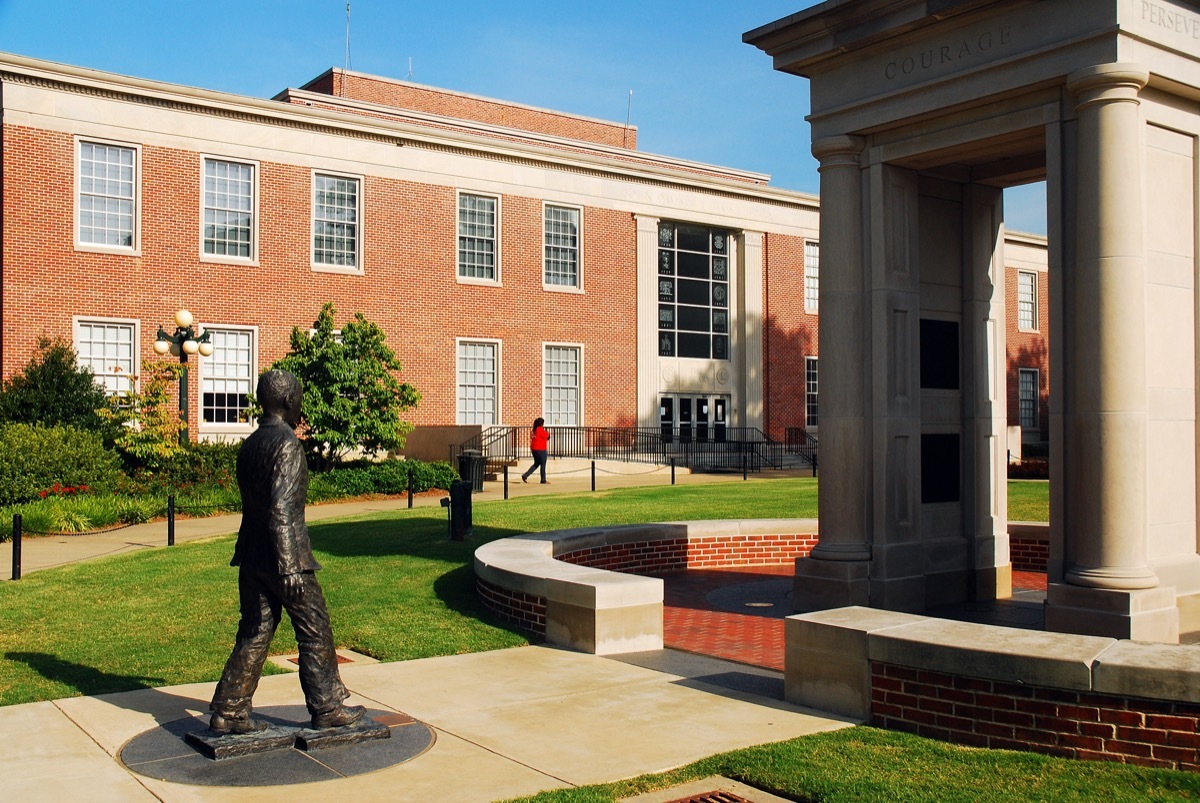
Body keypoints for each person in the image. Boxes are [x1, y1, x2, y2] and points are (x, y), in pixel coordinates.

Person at [209, 369, 364, 735]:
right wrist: (290, 566)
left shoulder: (250, 444)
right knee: (315, 629)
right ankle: (327, 707)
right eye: (300, 400)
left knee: (256, 630)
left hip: (251, 556)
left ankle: (229, 710)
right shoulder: (288, 445)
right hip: (284, 558)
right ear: (290, 402)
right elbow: (280, 508)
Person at [521, 417, 550, 484]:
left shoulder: (533, 430)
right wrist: (547, 433)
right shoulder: (540, 429)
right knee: (543, 464)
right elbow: (547, 435)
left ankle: (525, 475)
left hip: (534, 449)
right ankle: (543, 479)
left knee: (536, 464)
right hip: (541, 449)